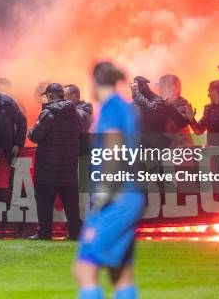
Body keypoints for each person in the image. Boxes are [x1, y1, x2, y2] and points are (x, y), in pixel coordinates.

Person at [74, 61, 143, 299]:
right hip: (132, 194)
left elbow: (114, 144)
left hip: (118, 197)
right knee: (120, 273)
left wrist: (106, 187)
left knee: (84, 270)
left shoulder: (111, 106)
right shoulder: (125, 106)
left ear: (95, 81)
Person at [27, 83, 82, 241]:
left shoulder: (47, 114)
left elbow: (34, 136)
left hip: (47, 168)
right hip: (69, 166)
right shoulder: (75, 113)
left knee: (44, 203)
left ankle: (44, 233)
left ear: (51, 95)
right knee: (71, 204)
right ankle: (75, 233)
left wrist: (30, 129)